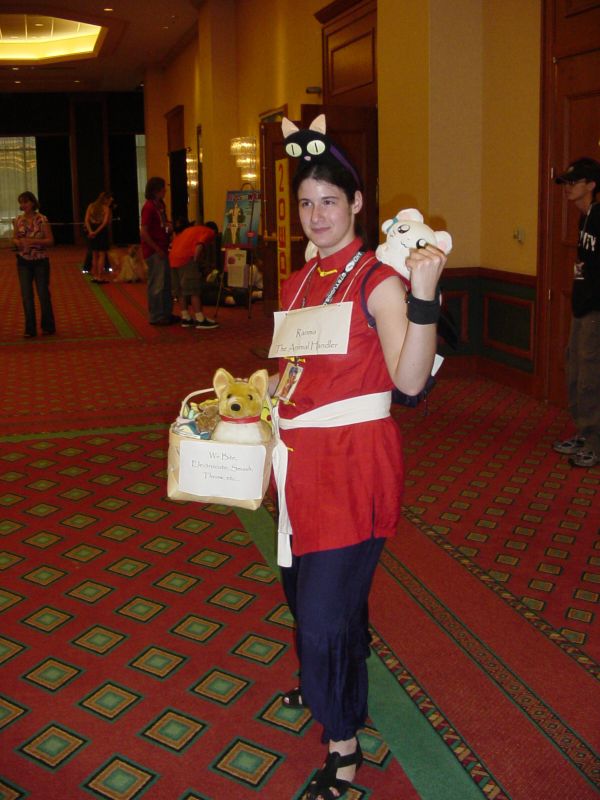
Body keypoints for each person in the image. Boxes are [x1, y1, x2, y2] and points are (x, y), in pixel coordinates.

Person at [269, 117, 447, 800]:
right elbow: (293, 373)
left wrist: (424, 295)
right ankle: (326, 671)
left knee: (322, 616)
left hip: (351, 469)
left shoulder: (378, 281)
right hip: (297, 466)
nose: (317, 215)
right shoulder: (296, 282)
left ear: (357, 204)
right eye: (306, 203)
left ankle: (343, 746)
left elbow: (410, 382)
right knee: (306, 594)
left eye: (330, 202)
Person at [552, 157, 600, 468]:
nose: (568, 188)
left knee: (590, 375)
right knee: (576, 368)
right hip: (582, 305)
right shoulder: (584, 219)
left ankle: (596, 441)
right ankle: (585, 432)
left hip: (596, 308)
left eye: (574, 182)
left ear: (591, 184)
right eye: (566, 183)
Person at [12, 191, 56, 338]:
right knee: (26, 296)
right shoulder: (18, 220)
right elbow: (14, 238)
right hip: (23, 262)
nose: (23, 205)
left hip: (40, 261)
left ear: (32, 202)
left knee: (43, 295)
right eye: (21, 202)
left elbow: (50, 241)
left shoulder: (42, 219)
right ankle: (30, 329)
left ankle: (48, 326)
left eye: (25, 202)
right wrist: (18, 242)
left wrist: (33, 241)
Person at [168, 218, 219, 329]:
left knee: (180, 291)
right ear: (214, 231)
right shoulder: (209, 232)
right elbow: (199, 246)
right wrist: (196, 262)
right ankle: (200, 319)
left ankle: (186, 318)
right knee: (194, 290)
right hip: (186, 258)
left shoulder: (190, 230)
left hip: (172, 259)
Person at [140, 177, 174, 325]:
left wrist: (168, 227)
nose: (165, 191)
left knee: (166, 283)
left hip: (163, 247)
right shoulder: (148, 207)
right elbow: (144, 231)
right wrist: (156, 248)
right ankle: (156, 316)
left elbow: (162, 224)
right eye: (162, 188)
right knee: (157, 284)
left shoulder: (160, 205)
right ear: (155, 191)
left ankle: (166, 313)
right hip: (154, 250)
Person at [84, 191, 113, 283]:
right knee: (102, 255)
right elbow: (104, 223)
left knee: (94, 255)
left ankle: (95, 276)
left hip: (92, 230)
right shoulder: (106, 208)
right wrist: (96, 232)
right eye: (109, 200)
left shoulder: (91, 206)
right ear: (106, 199)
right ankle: (100, 276)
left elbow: (86, 220)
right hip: (101, 232)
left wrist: (91, 231)